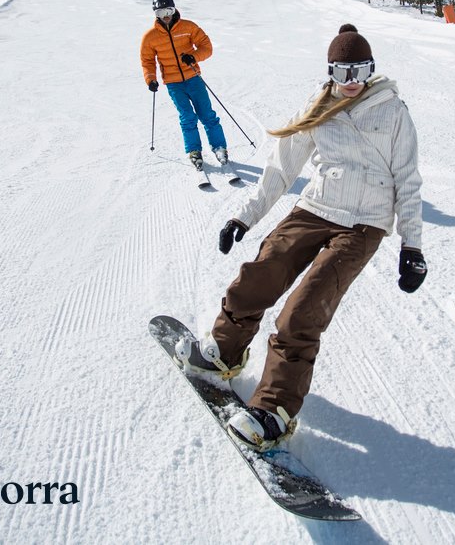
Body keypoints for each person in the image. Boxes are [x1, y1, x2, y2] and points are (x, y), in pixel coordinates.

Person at [176, 23, 428, 451]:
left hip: (364, 223)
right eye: (343, 72)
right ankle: (224, 351)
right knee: (260, 274)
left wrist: (412, 245)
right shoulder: (319, 104)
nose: (352, 81)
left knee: (302, 312)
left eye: (361, 71)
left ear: (372, 70)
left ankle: (274, 409)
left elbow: (407, 179)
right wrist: (243, 217)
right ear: (331, 72)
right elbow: (281, 167)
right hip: (316, 208)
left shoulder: (392, 111)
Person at [140, 0, 228, 169]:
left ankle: (219, 147)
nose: (165, 16)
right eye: (160, 12)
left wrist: (193, 57)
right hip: (173, 84)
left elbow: (206, 47)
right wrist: (151, 79)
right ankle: (194, 151)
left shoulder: (188, 27)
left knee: (207, 114)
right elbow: (147, 61)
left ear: (174, 9)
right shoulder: (150, 37)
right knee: (187, 117)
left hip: (193, 78)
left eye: (168, 10)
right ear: (155, 14)